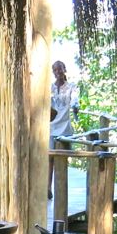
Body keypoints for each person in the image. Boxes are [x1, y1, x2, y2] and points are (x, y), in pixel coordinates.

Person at [48, 61, 80, 208]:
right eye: (55, 70)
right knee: (50, 158)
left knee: (62, 159)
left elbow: (74, 100)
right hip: (51, 126)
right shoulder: (51, 88)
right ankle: (48, 188)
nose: (58, 72)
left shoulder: (71, 87)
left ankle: (61, 190)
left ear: (64, 70)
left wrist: (75, 107)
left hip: (65, 127)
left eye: (60, 69)